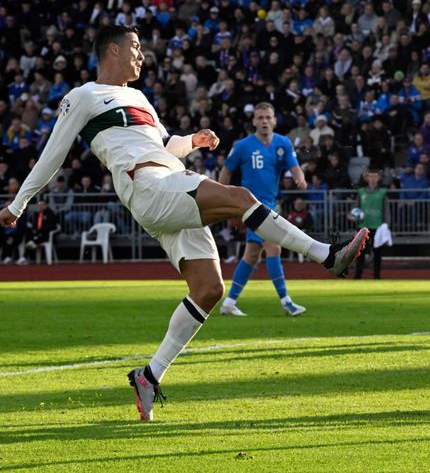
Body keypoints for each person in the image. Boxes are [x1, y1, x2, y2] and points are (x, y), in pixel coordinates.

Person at [0, 26, 369, 421]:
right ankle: (327, 256)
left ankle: (149, 375)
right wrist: (18, 203)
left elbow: (163, 145)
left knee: (209, 289)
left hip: (169, 182)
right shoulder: (84, 96)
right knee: (242, 199)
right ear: (113, 49)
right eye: (136, 48)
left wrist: (192, 140)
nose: (142, 56)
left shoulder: (139, 97)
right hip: (149, 187)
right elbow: (53, 153)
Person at [217, 102, 309, 318]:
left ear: (275, 120)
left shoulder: (283, 143)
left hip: (270, 204)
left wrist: (299, 176)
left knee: (251, 256)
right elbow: (226, 171)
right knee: (274, 248)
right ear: (254, 121)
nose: (264, 121)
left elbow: (293, 165)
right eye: (260, 118)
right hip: (252, 206)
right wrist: (225, 199)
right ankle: (286, 301)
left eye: (268, 117)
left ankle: (229, 303)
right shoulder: (242, 146)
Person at [354, 169, 388, 279]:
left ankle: (377, 276)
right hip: (363, 227)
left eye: (375, 176)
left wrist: (386, 224)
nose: (373, 179)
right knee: (360, 252)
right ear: (367, 178)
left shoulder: (382, 193)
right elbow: (356, 208)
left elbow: (386, 210)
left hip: (378, 226)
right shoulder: (361, 192)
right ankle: (358, 275)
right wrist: (353, 216)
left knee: (377, 253)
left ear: (378, 179)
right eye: (371, 176)